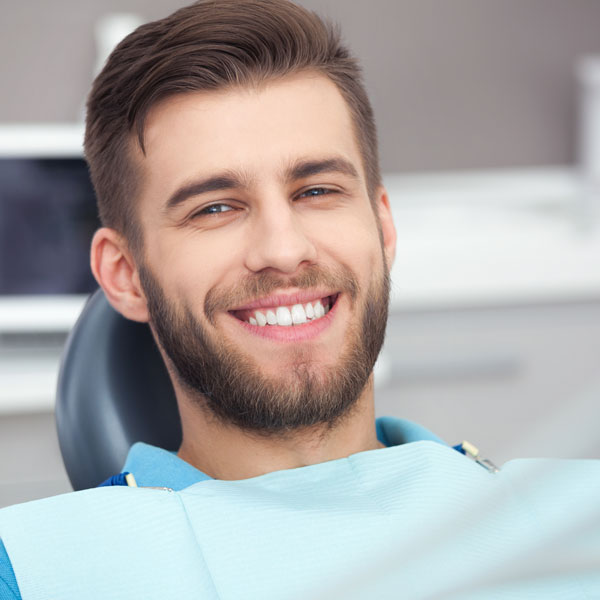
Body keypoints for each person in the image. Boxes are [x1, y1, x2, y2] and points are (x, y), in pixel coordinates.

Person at [1, 1, 599, 598]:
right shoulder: (32, 568)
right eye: (215, 207)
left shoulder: (577, 520)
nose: (284, 251)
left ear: (382, 227)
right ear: (125, 274)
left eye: (316, 190)